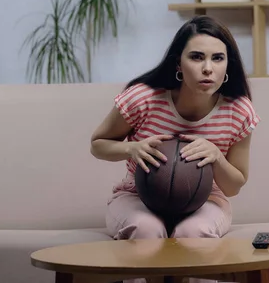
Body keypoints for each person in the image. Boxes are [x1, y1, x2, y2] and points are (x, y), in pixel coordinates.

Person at [90, 14, 260, 260]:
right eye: (196, 57)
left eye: (218, 58)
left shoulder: (239, 112)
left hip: (207, 200)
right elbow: (97, 145)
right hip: (137, 196)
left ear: (228, 66)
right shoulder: (143, 98)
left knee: (193, 232)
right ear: (178, 64)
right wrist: (132, 149)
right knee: (146, 229)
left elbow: (234, 187)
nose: (208, 68)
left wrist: (216, 157)